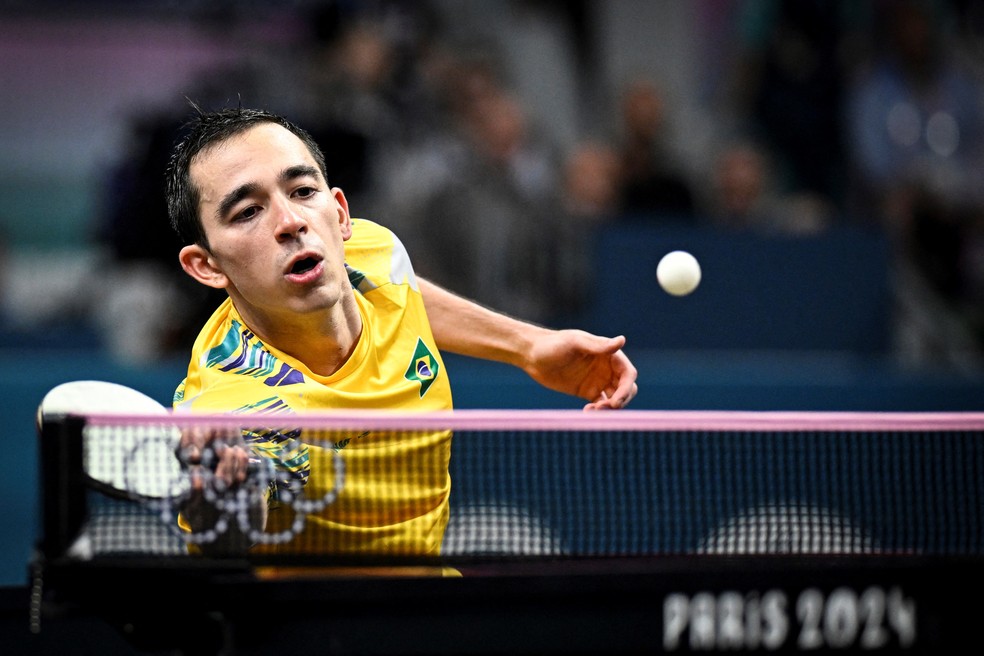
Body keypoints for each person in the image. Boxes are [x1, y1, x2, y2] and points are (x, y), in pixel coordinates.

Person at [163, 105, 637, 557]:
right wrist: (223, 495)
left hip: (426, 597)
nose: (291, 222)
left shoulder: (372, 252)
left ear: (341, 214)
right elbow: (226, 539)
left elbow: (402, 292)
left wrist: (529, 346)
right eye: (247, 212)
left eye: (303, 191)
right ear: (206, 266)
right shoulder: (234, 403)